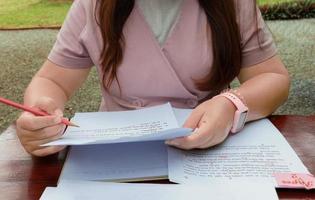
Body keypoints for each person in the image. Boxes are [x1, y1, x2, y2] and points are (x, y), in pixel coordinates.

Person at [16, 0, 290, 157]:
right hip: (117, 153)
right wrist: (42, 111)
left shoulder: (233, 4)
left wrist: (232, 104)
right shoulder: (94, 5)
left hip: (209, 150)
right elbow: (52, 81)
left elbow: (271, 77)